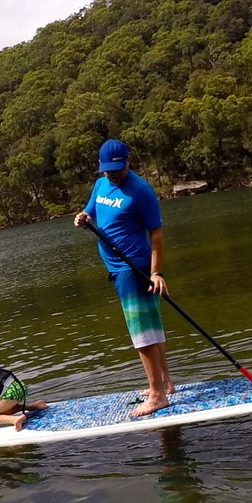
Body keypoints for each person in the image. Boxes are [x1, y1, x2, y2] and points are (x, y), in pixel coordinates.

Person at [73, 138, 173, 416]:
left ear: (128, 161)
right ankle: (164, 383)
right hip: (116, 267)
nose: (113, 173)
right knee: (150, 325)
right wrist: (83, 218)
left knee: (141, 332)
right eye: (108, 169)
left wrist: (155, 272)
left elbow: (157, 235)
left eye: (117, 167)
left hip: (134, 267)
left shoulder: (141, 191)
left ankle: (157, 396)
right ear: (100, 167)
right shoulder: (100, 185)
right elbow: (90, 212)